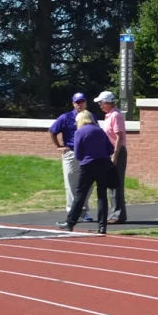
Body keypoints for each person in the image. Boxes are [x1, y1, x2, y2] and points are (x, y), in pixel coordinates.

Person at [58, 111, 115, 234]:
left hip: (88, 165)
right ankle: (102, 226)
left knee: (80, 195)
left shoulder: (79, 132)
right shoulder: (100, 131)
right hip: (103, 164)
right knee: (102, 195)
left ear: (81, 120)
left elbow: (78, 154)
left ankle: (70, 223)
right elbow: (111, 149)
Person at [49, 93, 93, 222]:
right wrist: (58, 146)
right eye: (77, 102)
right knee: (71, 183)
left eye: (82, 101)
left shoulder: (91, 116)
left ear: (85, 102)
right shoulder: (65, 117)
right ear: (73, 103)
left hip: (87, 153)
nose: (79, 104)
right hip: (71, 152)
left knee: (88, 184)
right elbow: (52, 131)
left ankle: (83, 211)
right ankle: (72, 212)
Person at [95, 90, 128, 224]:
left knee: (116, 183)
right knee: (111, 183)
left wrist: (115, 155)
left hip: (117, 152)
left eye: (101, 103)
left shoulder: (116, 115)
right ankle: (115, 213)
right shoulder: (109, 115)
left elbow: (119, 137)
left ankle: (118, 214)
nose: (100, 106)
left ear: (107, 103)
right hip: (109, 152)